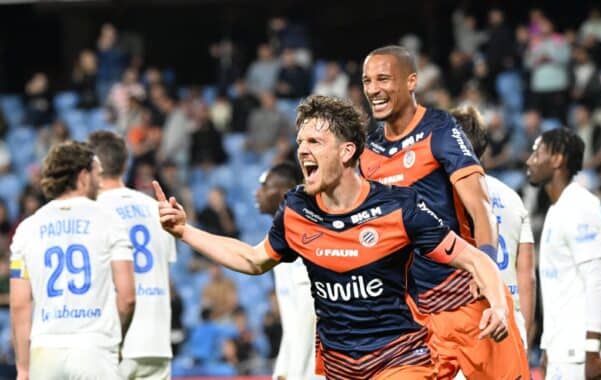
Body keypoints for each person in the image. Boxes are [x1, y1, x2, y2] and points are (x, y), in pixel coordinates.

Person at [153, 95, 513, 380]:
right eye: (300, 142)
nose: (303, 150)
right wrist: (185, 231)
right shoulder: (296, 210)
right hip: (341, 370)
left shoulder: (398, 207)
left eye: (315, 141)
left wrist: (497, 305)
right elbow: (252, 259)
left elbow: (474, 258)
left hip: (400, 361)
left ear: (346, 152)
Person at [360, 45, 527, 379]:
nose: (373, 89)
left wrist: (486, 271)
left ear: (411, 82)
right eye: (367, 81)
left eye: (383, 79)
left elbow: (480, 209)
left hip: (467, 299)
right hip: (415, 318)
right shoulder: (368, 151)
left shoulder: (440, 129)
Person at [9, 141, 135, 380]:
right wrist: (114, 338)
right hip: (95, 349)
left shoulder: (26, 229)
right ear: (83, 175)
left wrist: (24, 368)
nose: (100, 182)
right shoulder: (110, 221)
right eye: (98, 175)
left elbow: (19, 305)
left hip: (44, 353)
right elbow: (128, 297)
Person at [525, 128, 601, 380]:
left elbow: (596, 280)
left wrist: (591, 350)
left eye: (538, 153)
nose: (529, 160)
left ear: (557, 159)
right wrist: (547, 347)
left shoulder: (579, 206)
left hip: (580, 353)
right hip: (563, 350)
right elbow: (560, 291)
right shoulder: (558, 209)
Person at [87, 131, 177, 380]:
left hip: (114, 343)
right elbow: (165, 274)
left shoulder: (93, 212)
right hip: (157, 342)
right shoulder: (156, 209)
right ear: (125, 164)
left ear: (91, 167)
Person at [452, 105, 536, 349]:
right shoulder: (512, 197)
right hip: (509, 321)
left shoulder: (448, 197)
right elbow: (526, 274)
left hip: (466, 323)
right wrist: (524, 332)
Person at [254, 162, 320, 380]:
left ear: (285, 191)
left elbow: (309, 314)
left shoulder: (304, 235)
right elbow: (294, 319)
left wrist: (296, 372)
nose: (258, 193)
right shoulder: (280, 237)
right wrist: (283, 367)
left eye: (265, 186)